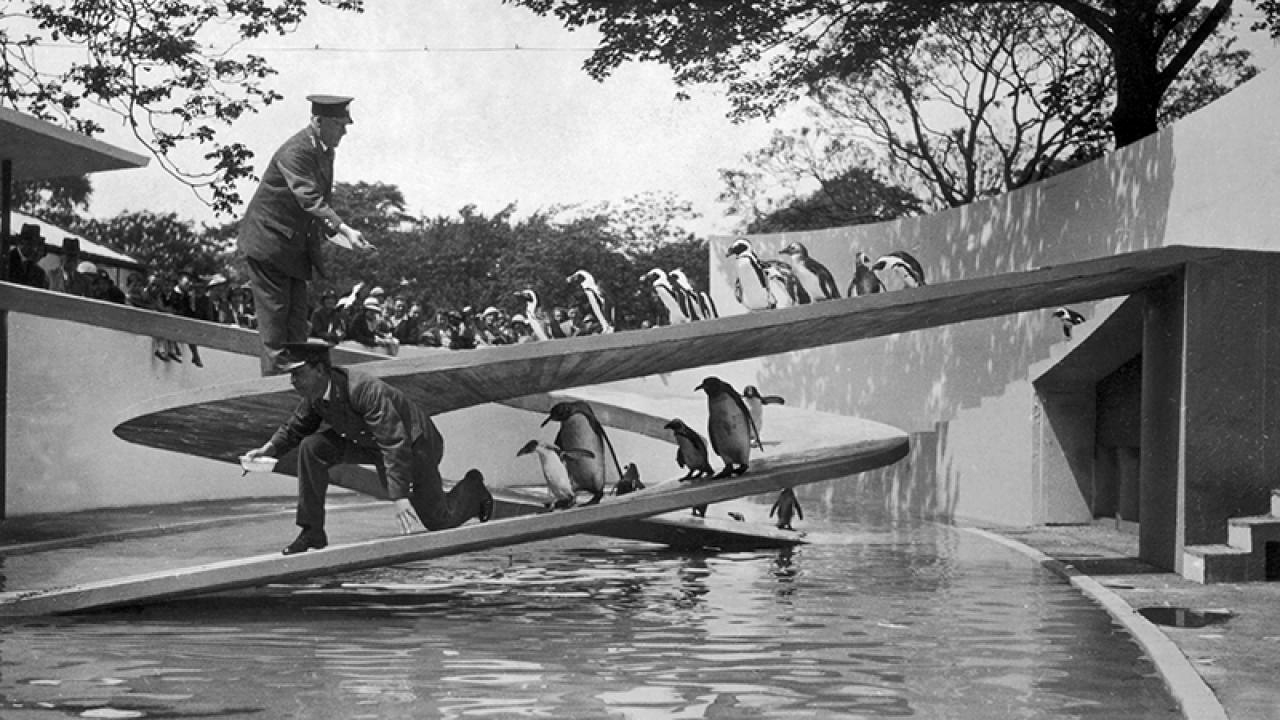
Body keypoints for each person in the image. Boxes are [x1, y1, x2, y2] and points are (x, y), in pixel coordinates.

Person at [240, 341, 494, 554]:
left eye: (297, 374)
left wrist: (399, 496)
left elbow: (394, 441)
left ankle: (473, 487)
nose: (293, 381)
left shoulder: (364, 390)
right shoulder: (315, 395)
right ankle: (312, 531)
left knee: (438, 520)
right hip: (370, 444)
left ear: (319, 370)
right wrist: (268, 449)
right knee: (312, 447)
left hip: (416, 445)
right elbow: (295, 427)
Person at [237, 94, 375, 375]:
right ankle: (274, 388)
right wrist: (345, 229)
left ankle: (297, 387)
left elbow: (321, 205)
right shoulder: (296, 151)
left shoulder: (324, 151)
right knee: (276, 331)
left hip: (293, 251)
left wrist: (344, 237)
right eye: (339, 124)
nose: (344, 131)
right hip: (269, 245)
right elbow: (309, 199)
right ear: (318, 121)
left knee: (297, 329)